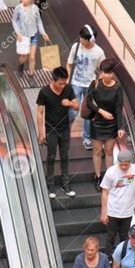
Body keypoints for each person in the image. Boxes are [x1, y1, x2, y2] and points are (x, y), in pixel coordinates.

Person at [36, 67, 78, 200]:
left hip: (65, 128)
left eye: (64, 83)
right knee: (51, 156)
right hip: (51, 129)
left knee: (65, 156)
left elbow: (77, 106)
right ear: (53, 80)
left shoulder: (68, 89)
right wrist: (41, 132)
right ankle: (50, 185)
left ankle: (66, 183)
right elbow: (39, 112)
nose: (62, 86)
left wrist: (70, 103)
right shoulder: (44, 92)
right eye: (60, 83)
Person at [87, 58, 125, 191]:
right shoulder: (96, 83)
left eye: (110, 73)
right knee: (97, 150)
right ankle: (97, 176)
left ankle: (108, 178)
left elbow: (119, 108)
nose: (107, 75)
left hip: (112, 123)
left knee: (109, 151)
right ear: (101, 72)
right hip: (97, 121)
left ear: (113, 73)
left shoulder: (117, 87)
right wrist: (101, 111)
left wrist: (120, 127)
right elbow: (89, 102)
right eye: (105, 72)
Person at [66, 24, 105, 150]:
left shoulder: (99, 52)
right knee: (72, 111)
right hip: (75, 83)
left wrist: (98, 83)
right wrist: (67, 80)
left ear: (91, 40)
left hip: (90, 85)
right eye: (80, 37)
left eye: (83, 38)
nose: (80, 40)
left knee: (87, 113)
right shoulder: (76, 46)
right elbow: (69, 64)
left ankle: (87, 137)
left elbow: (102, 70)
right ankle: (66, 133)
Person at [12, 0, 49, 77]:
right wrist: (18, 33)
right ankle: (20, 66)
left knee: (32, 57)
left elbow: (39, 21)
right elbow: (14, 21)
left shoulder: (35, 8)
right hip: (23, 36)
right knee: (24, 56)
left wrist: (43, 32)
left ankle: (31, 75)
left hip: (33, 35)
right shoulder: (18, 8)